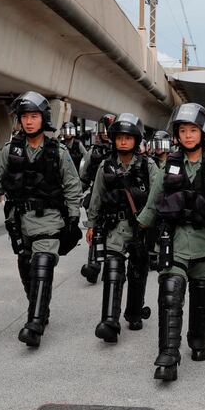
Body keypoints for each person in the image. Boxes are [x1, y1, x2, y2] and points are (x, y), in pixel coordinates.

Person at [138, 103, 205, 382]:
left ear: (203, 132)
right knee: (171, 289)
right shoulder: (168, 164)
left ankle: (197, 339)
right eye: (183, 130)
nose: (188, 135)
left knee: (202, 294)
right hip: (175, 240)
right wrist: (139, 232)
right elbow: (154, 201)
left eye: (193, 130)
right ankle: (169, 355)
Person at [0, 91, 82, 348]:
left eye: (34, 116)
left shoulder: (57, 151)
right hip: (19, 221)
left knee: (42, 265)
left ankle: (34, 324)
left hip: (49, 219)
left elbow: (71, 185)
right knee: (27, 268)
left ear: (43, 118)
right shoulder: (9, 150)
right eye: (25, 116)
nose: (29, 121)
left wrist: (73, 218)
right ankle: (40, 309)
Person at [86, 113, 159, 342]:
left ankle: (135, 313)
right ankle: (109, 320)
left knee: (138, 272)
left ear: (136, 140)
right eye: (120, 137)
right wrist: (91, 224)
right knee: (113, 271)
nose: (123, 142)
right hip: (114, 227)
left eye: (128, 137)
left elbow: (158, 196)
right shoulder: (105, 166)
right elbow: (96, 196)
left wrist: (150, 222)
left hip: (141, 228)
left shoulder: (148, 165)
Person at [79, 114, 115, 284]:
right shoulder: (93, 152)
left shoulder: (123, 151)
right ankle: (93, 264)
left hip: (117, 199)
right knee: (95, 230)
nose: (107, 133)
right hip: (96, 198)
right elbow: (84, 177)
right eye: (104, 129)